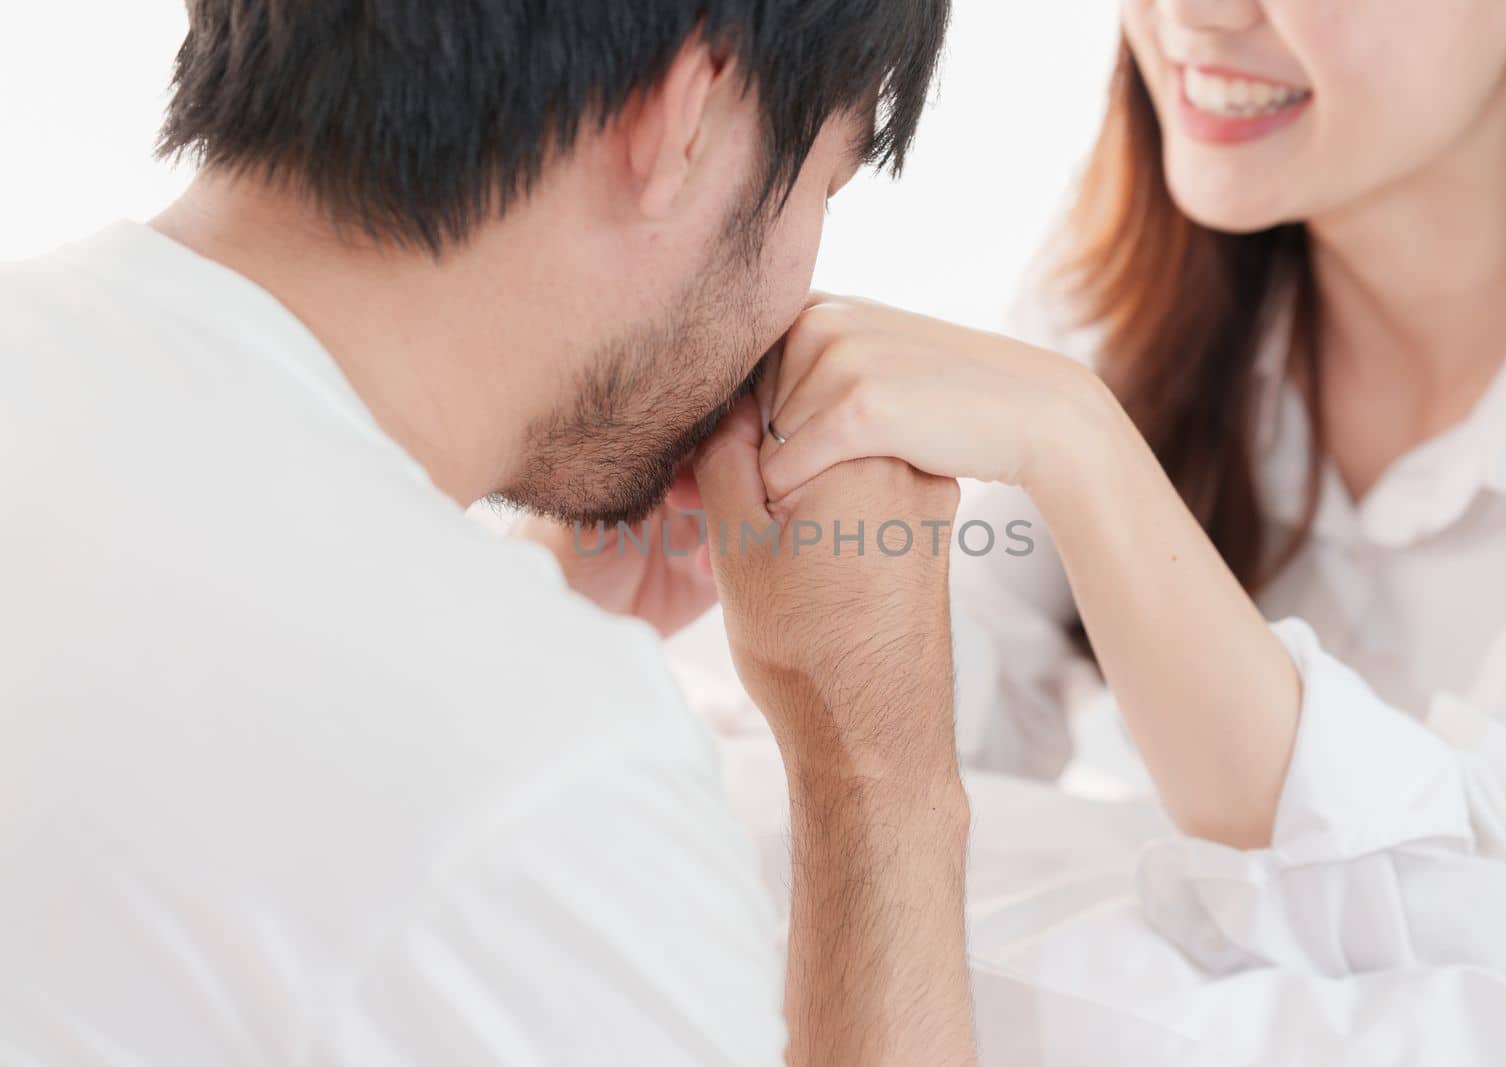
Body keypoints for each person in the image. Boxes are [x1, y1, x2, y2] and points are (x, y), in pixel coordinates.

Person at [0, 2, 976, 1064]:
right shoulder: (549, 775)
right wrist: (877, 770)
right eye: (825, 186)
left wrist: (513, 605)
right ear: (686, 119)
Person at [756, 0, 1506, 999]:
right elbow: (900, 735)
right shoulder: (1130, 289)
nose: (1192, 13)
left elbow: (1499, 930)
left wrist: (1087, 453)